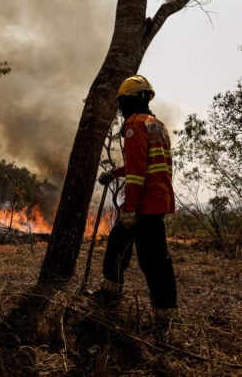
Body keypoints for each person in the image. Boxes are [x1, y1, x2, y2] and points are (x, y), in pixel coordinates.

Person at [92, 74, 178, 335]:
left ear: (128, 100)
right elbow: (144, 164)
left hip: (143, 205)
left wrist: (129, 208)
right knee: (125, 247)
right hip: (158, 200)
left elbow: (139, 172)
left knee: (150, 259)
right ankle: (158, 309)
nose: (121, 108)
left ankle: (161, 314)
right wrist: (114, 173)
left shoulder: (133, 125)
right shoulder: (157, 125)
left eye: (122, 102)